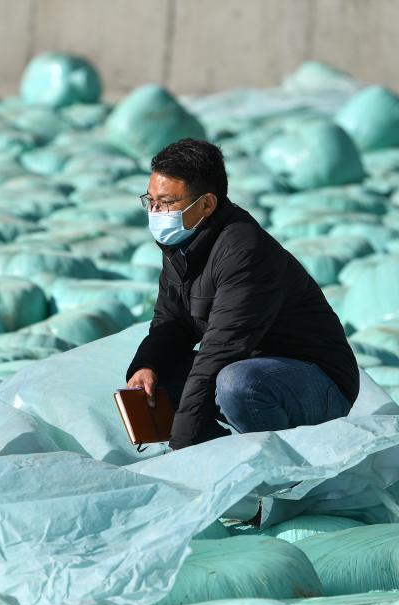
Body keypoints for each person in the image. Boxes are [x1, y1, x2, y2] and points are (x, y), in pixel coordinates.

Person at [125, 139, 359, 451]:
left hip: (316, 382)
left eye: (166, 203)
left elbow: (221, 349)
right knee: (160, 374)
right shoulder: (181, 247)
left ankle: (281, 467)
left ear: (206, 205)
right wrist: (147, 365)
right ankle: (215, 456)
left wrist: (181, 443)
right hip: (250, 364)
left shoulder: (244, 251)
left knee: (237, 385)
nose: (155, 212)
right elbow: (172, 322)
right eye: (151, 200)